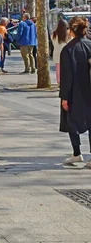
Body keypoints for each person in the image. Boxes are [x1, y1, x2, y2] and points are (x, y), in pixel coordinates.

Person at [60, 17, 91, 166]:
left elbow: (67, 76)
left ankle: (77, 152)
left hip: (75, 91)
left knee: (72, 121)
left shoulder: (68, 49)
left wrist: (64, 97)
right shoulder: (90, 45)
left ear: (71, 30)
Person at [52, 19, 70, 86]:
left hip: (57, 53)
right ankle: (65, 81)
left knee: (58, 69)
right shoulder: (68, 34)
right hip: (66, 54)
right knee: (66, 69)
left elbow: (53, 42)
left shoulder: (54, 34)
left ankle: (59, 82)